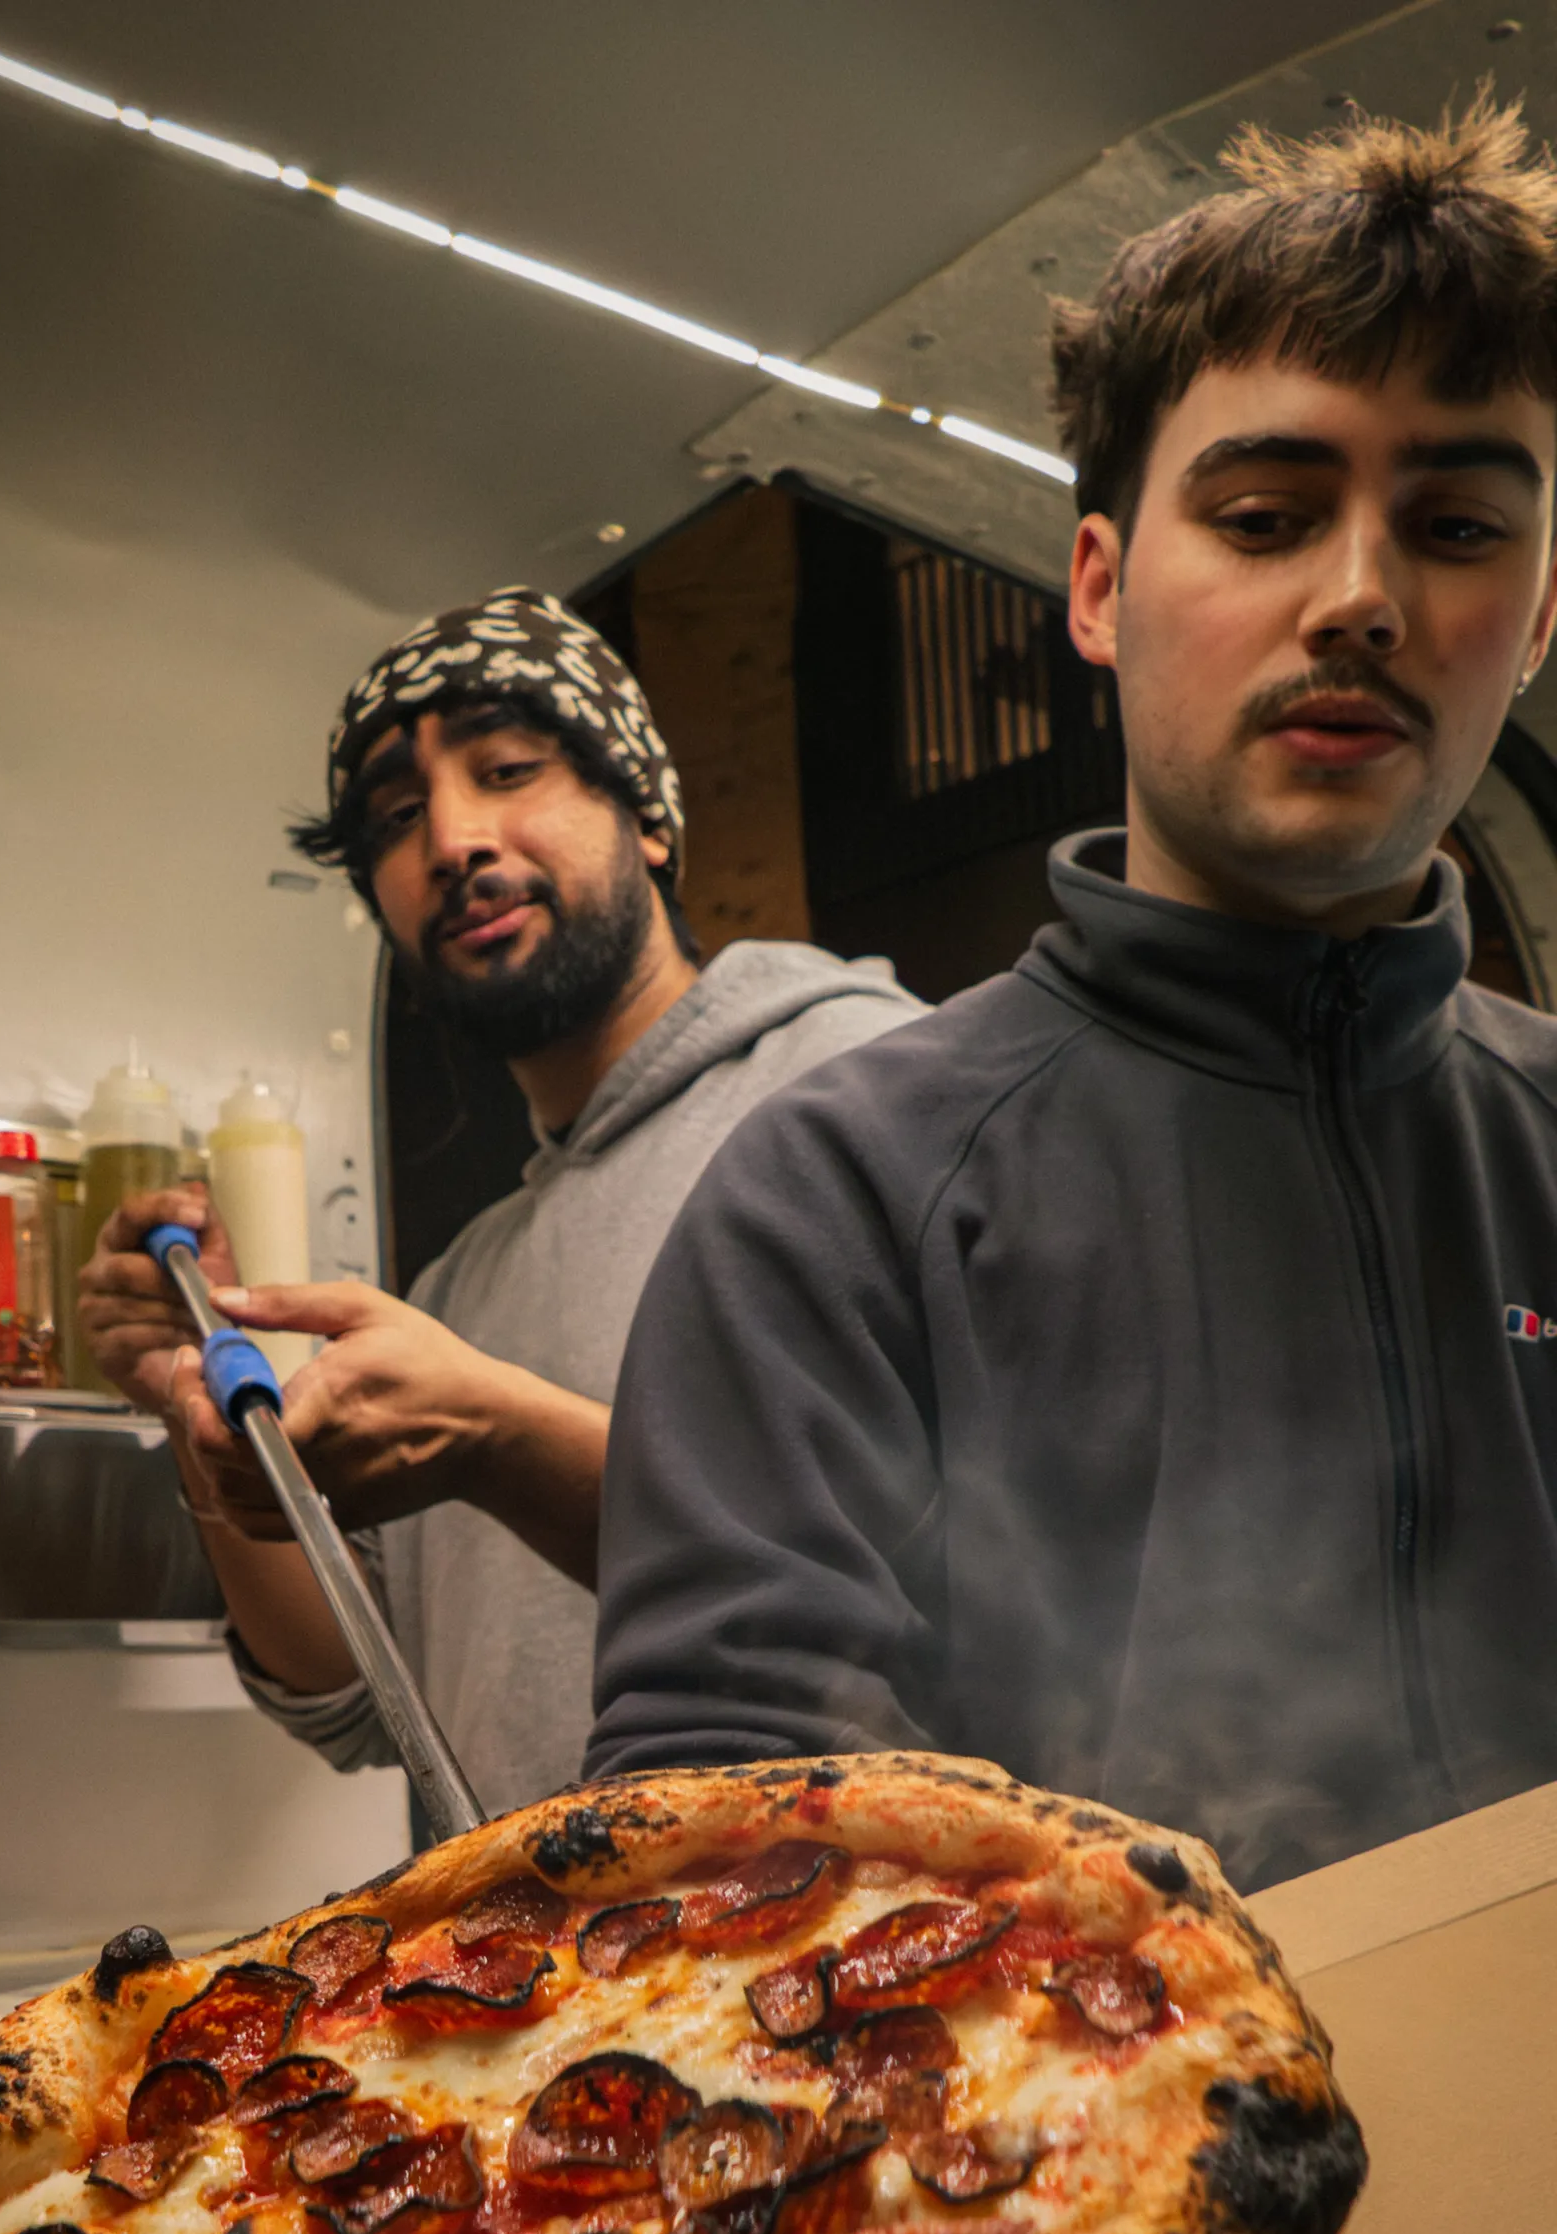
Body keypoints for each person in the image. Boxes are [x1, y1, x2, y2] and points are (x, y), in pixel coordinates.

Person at [586, 99, 1557, 1891]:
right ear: (1100, 587)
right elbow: (730, 1895)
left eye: (1457, 526)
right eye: (1267, 515)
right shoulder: (844, 1204)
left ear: (1543, 611)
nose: (1359, 598)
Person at [80, 588, 913, 1816]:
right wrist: (199, 1398)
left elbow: (959, 1584)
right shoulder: (465, 1284)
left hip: (835, 1959)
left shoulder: (865, 1092)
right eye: (398, 818)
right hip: (534, 1992)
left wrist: (493, 1431)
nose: (454, 840)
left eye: (510, 768)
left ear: (647, 816)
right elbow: (346, 1692)